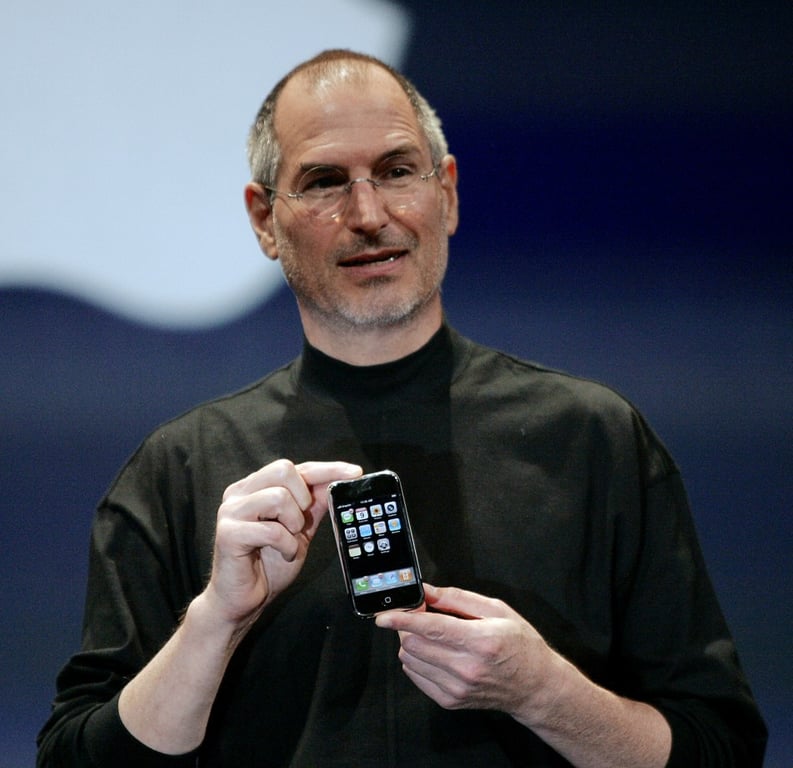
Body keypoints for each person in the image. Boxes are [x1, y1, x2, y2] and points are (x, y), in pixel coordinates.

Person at [37, 49, 766, 767]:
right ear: (264, 220)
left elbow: (721, 748)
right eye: (323, 182)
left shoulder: (592, 439)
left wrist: (545, 694)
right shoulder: (182, 468)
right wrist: (214, 622)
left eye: (396, 171)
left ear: (445, 193)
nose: (368, 214)